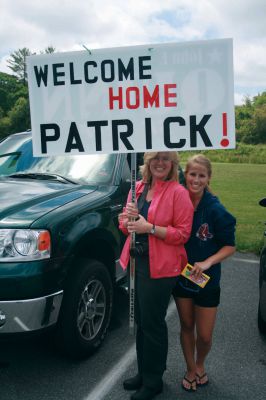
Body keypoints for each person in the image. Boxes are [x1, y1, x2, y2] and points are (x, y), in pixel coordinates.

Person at [119, 151, 194, 400]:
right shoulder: (137, 187)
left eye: (165, 159)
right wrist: (128, 219)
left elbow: (182, 234)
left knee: (152, 324)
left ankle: (154, 380)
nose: (160, 163)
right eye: (155, 158)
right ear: (147, 162)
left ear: (172, 164)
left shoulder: (178, 192)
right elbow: (123, 222)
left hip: (161, 267)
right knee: (140, 321)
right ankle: (143, 372)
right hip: (136, 263)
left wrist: (149, 227)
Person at [172, 154, 236, 392]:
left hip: (206, 279)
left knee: (205, 335)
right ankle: (191, 368)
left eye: (201, 176)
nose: (195, 180)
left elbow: (230, 245)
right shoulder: (179, 200)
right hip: (181, 275)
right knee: (186, 324)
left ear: (208, 178)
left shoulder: (216, 209)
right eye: (192, 174)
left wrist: (209, 261)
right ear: (185, 175)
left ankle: (200, 363)